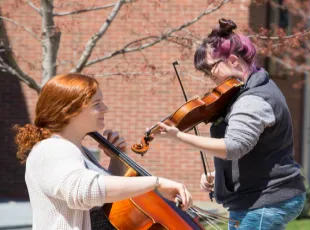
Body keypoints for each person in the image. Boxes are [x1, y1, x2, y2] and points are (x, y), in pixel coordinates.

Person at [157, 18, 306, 230]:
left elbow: (234, 147)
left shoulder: (252, 100)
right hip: (263, 196)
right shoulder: (260, 86)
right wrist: (223, 175)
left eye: (211, 69)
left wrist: (178, 136)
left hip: (264, 199)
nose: (210, 78)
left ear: (234, 61)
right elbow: (259, 150)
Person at [14, 73, 193, 230]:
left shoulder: (78, 150)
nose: (105, 109)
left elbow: (107, 204)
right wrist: (156, 183)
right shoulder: (52, 149)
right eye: (97, 104)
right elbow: (86, 191)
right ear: (70, 111)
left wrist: (116, 160)